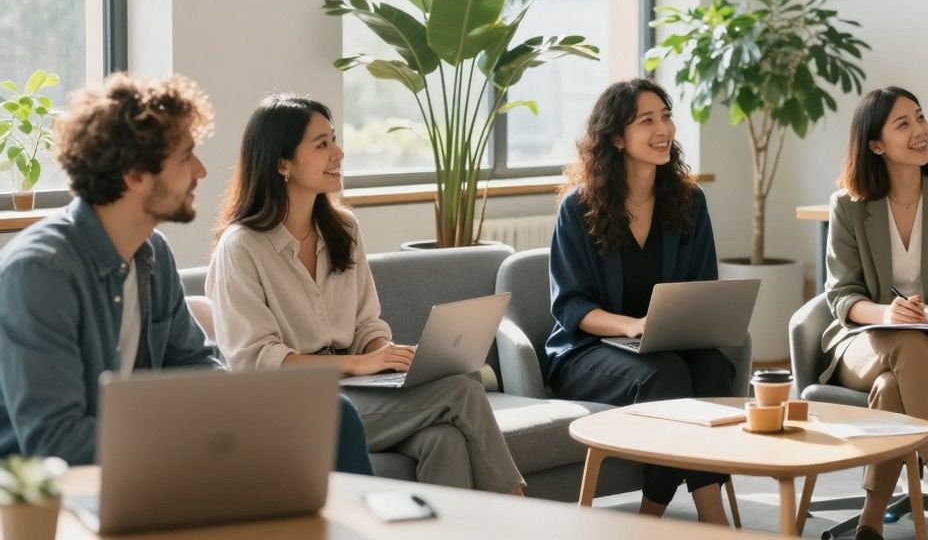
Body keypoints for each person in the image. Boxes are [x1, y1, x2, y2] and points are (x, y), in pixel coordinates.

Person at [0, 74, 372, 474]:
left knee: (333, 415)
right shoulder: (39, 272)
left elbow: (196, 365)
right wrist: (192, 439)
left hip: (148, 455)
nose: (201, 170)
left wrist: (247, 417)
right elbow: (55, 441)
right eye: (185, 156)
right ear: (135, 175)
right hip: (51, 488)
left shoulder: (153, 254)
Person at [206, 94, 523, 494]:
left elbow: (366, 324)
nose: (338, 153)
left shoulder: (344, 229)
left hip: (356, 390)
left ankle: (451, 526)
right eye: (321, 144)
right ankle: (519, 509)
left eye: (334, 139)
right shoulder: (242, 247)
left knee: (445, 439)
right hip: (288, 403)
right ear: (282, 163)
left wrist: (388, 357)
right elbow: (256, 361)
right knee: (462, 392)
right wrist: (358, 363)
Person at [545, 78, 732, 525]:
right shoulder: (578, 207)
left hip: (665, 345)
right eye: (646, 120)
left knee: (714, 368)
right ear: (615, 137)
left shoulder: (689, 201)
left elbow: (702, 287)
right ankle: (709, 518)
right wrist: (630, 326)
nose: (663, 129)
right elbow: (569, 305)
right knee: (666, 376)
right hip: (588, 350)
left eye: (665, 116)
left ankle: (653, 517)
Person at [821, 87, 928, 540]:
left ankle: (870, 521)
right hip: (865, 342)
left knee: (892, 387)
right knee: (905, 343)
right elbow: (841, 295)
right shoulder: (847, 205)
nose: (920, 130)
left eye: (920, 117)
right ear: (876, 145)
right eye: (903, 124)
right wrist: (886, 313)